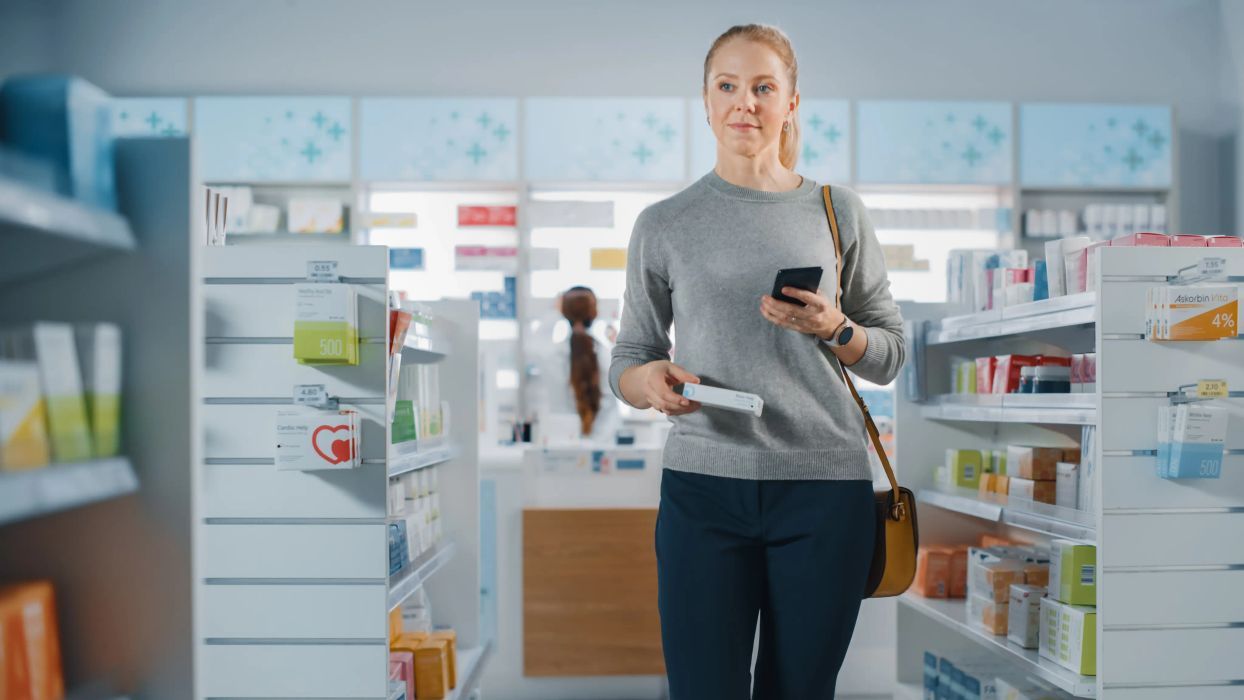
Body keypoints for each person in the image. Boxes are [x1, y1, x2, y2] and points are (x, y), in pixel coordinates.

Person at [609, 24, 905, 699]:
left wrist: (835, 327)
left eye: (763, 87)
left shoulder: (837, 212)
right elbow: (631, 356)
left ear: (791, 103)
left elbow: (888, 355)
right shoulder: (664, 223)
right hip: (703, 487)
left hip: (824, 492)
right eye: (728, 86)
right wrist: (648, 381)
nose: (746, 102)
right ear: (707, 102)